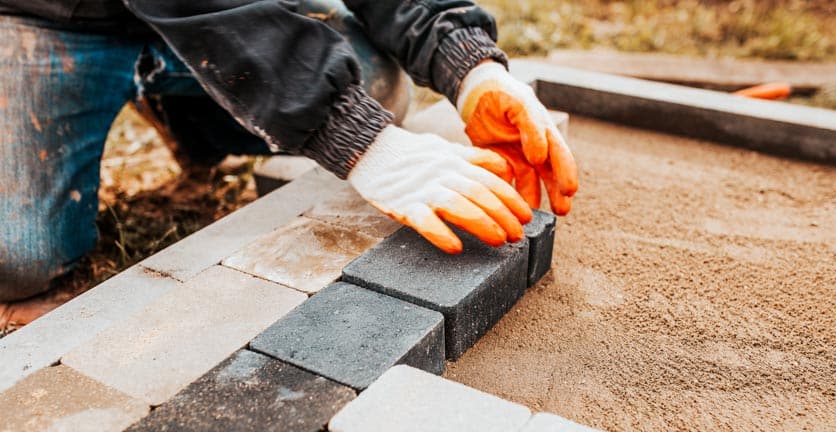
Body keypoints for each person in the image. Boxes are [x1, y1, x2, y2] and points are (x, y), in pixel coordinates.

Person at [0, 0, 578, 328]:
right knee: (18, 257)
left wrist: (468, 63)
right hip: (49, 18)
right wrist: (352, 135)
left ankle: (187, 117)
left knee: (377, 85)